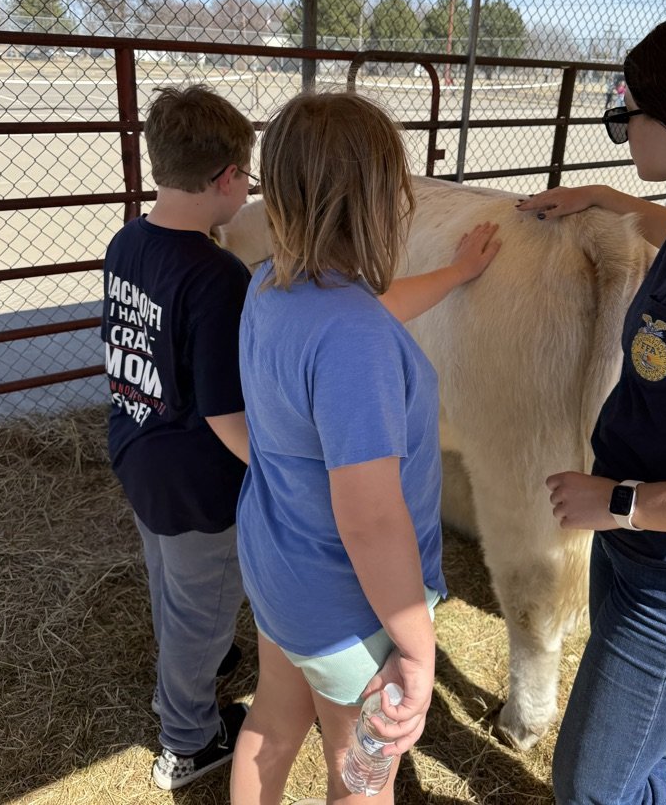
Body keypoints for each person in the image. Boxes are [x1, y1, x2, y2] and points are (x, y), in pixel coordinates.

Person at [229, 91, 502, 805]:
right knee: (361, 773)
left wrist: (455, 274)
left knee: (271, 724)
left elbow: (360, 314)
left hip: (278, 572)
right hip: (347, 609)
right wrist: (415, 646)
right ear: (383, 201)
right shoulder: (355, 341)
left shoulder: (272, 286)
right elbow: (371, 519)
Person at [517, 5, 666, 805]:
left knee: (587, 786)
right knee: (643, 762)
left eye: (627, 114)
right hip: (643, 549)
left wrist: (622, 502)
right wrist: (607, 197)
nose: (623, 127)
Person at [101, 83, 256, 790]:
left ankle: (195, 663)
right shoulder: (219, 276)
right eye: (246, 176)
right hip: (198, 482)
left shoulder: (126, 239)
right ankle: (187, 742)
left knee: (171, 581)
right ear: (227, 179)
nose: (247, 188)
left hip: (137, 445)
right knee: (201, 604)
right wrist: (284, 471)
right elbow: (227, 417)